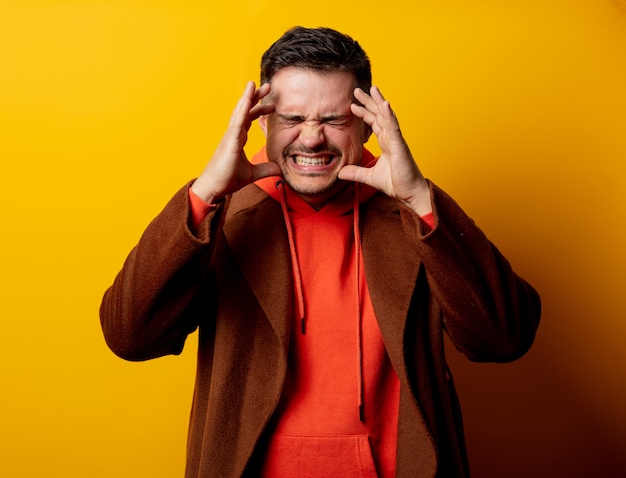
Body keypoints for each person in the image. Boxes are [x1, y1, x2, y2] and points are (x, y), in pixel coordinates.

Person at [100, 26, 541, 478]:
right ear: (263, 122)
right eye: (292, 119)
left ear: (368, 124)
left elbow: (504, 339)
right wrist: (206, 193)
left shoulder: (415, 214)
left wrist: (419, 200)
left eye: (333, 119)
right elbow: (130, 337)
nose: (311, 139)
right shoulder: (222, 216)